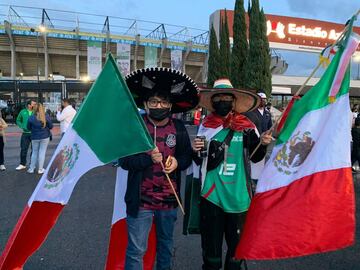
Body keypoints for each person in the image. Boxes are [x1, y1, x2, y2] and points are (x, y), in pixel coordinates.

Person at [119, 67, 199, 270]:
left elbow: (186, 156)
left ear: (170, 105)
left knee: (166, 246)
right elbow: (124, 161)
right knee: (137, 250)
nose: (158, 106)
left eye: (163, 102)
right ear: (145, 104)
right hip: (141, 202)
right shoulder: (135, 127)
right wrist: (148, 159)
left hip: (169, 201)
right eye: (153, 102)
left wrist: (177, 163)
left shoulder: (178, 128)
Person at [190, 79, 272, 270]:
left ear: (234, 102)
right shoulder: (206, 126)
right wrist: (195, 150)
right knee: (211, 251)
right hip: (212, 195)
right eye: (218, 98)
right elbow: (199, 160)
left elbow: (256, 157)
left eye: (227, 98)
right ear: (212, 102)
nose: (223, 101)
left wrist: (264, 143)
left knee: (236, 252)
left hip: (239, 197)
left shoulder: (247, 126)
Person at [27, 103, 53, 174]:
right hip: (45, 136)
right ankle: (40, 169)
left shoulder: (31, 117)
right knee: (42, 152)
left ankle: (31, 168)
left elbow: (28, 127)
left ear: (34, 109)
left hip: (34, 136)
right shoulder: (46, 116)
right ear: (42, 108)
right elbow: (51, 126)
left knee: (34, 152)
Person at [16, 99, 37, 170]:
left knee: (34, 150)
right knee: (23, 149)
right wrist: (22, 126)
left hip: (35, 134)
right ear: (29, 105)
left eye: (35, 104)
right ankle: (22, 164)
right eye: (33, 104)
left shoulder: (36, 112)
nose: (34, 105)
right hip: (25, 134)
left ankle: (32, 164)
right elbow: (18, 120)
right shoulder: (23, 111)